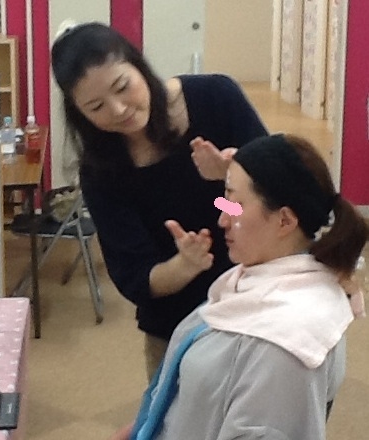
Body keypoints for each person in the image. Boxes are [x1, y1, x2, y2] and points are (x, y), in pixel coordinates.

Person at [107, 133, 368, 440]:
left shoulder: (281, 347)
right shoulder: (259, 281)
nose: (222, 219)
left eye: (234, 204)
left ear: (285, 221)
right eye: (224, 199)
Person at [51, 21, 268, 379]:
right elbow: (136, 276)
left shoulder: (215, 96)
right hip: (178, 324)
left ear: (139, 65)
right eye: (96, 106)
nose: (118, 109)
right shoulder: (102, 170)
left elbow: (279, 192)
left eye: (123, 87)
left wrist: (230, 176)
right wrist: (185, 264)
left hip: (257, 301)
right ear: (80, 114)